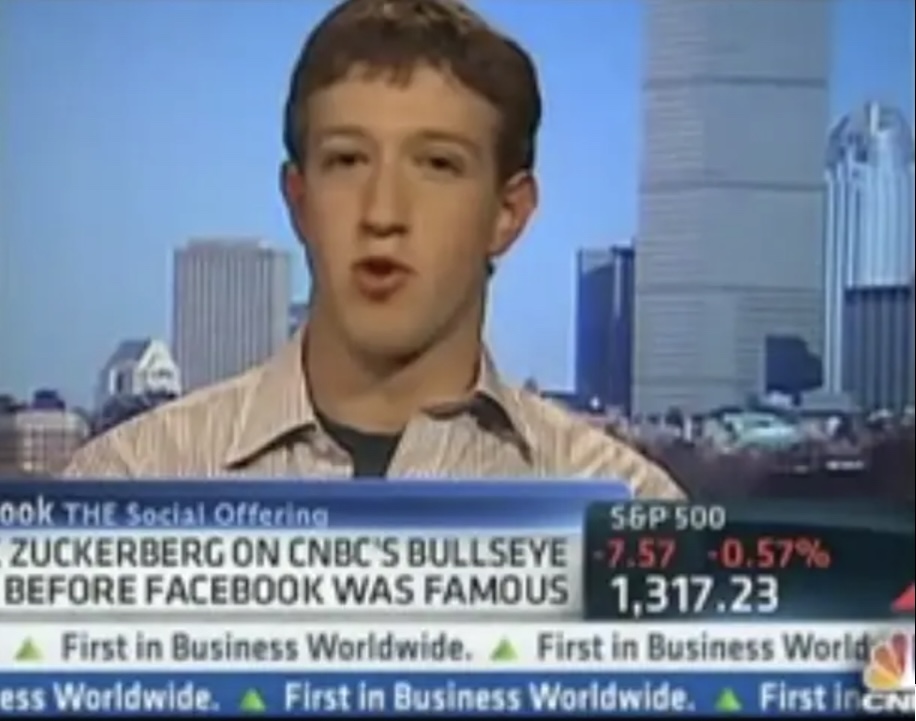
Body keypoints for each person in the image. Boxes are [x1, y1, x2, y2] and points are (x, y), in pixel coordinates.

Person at [65, 0, 682, 496]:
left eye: (437, 165)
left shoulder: (624, 507)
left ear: (508, 213)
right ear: (299, 199)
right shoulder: (127, 484)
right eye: (347, 161)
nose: (382, 213)